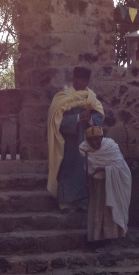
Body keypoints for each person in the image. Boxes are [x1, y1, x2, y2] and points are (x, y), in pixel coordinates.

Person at [46, 66, 103, 210]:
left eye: (86, 81)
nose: (84, 83)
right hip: (68, 144)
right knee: (67, 170)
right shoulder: (62, 97)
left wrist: (90, 118)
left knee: (84, 171)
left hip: (86, 142)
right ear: (74, 79)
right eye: (81, 80)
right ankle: (65, 203)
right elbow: (57, 122)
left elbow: (99, 116)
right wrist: (77, 117)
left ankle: (83, 203)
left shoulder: (91, 97)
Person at [78, 116, 131, 246]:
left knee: (110, 208)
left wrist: (102, 169)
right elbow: (88, 168)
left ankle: (112, 237)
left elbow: (119, 166)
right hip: (97, 185)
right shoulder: (86, 150)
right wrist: (91, 176)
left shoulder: (111, 147)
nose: (94, 142)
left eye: (97, 139)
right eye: (91, 140)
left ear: (101, 137)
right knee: (97, 209)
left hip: (113, 184)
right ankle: (97, 237)